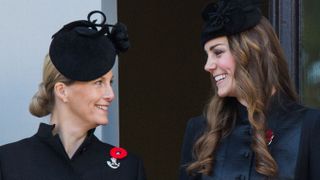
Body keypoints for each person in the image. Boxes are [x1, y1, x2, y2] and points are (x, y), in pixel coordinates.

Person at [179, 0, 320, 179]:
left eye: (218, 52)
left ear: (249, 52)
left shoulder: (309, 126)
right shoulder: (199, 131)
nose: (208, 65)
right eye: (207, 55)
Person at [0, 10, 146, 180]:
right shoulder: (9, 162)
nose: (110, 94)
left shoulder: (127, 168)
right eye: (98, 82)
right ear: (62, 91)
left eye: (110, 82)